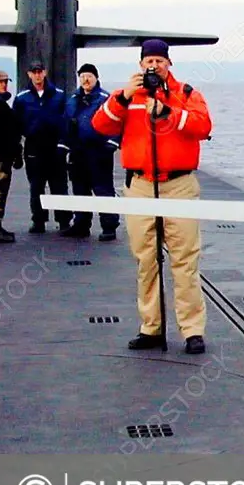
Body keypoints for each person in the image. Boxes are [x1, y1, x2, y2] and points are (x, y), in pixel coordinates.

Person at [91, 39, 213, 355]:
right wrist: (123, 96)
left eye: (160, 60)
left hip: (179, 185)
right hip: (141, 185)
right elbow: (99, 125)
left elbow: (203, 125)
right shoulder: (128, 96)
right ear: (140, 64)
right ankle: (151, 327)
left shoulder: (186, 94)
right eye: (149, 61)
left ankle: (192, 330)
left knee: (184, 260)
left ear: (169, 64)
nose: (154, 66)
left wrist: (169, 113)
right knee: (146, 259)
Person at [58, 63, 121, 240]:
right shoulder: (73, 99)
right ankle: (81, 224)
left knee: (102, 189)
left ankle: (109, 226)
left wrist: (112, 142)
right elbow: (66, 122)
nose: (86, 80)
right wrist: (63, 145)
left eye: (89, 76)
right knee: (79, 188)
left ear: (96, 78)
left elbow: (118, 120)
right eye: (83, 76)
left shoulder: (105, 98)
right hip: (78, 151)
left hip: (99, 150)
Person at [11, 59, 72, 233]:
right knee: (36, 186)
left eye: (40, 71)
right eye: (34, 72)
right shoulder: (22, 99)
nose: (37, 75)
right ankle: (38, 220)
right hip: (34, 146)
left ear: (44, 73)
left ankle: (63, 220)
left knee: (59, 185)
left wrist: (64, 144)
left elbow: (66, 120)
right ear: (29, 74)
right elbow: (16, 124)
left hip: (54, 147)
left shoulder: (59, 95)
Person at [0, 71, 23, 243]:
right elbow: (6, 132)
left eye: (6, 81)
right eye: (0, 81)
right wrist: (14, 151)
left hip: (1, 154)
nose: (4, 84)